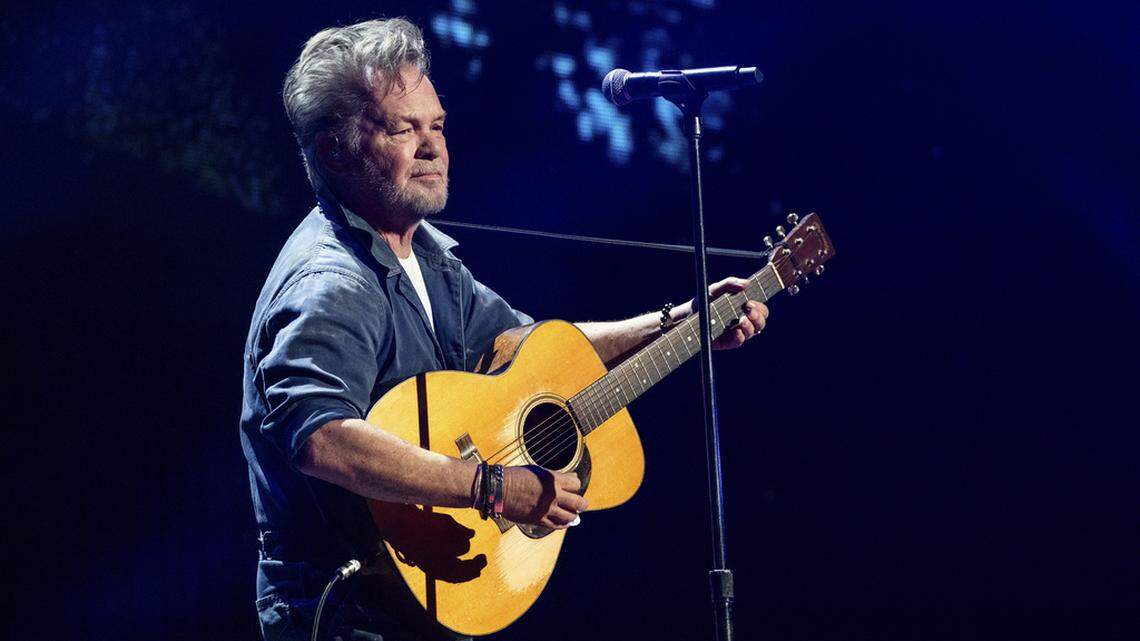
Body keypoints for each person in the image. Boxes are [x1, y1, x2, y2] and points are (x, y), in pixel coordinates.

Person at [239, 18, 770, 641]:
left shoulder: (428, 254)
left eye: (435, 126)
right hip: (348, 616)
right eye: (402, 128)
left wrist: (682, 322)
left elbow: (534, 350)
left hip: (417, 606)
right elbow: (320, 438)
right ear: (335, 150)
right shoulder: (331, 282)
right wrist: (492, 487)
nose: (432, 146)